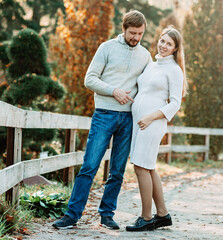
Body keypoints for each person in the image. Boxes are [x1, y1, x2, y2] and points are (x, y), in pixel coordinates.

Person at [52, 10, 152, 230]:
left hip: (129, 118)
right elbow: (89, 79)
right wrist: (113, 91)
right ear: (124, 29)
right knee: (89, 166)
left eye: (140, 34)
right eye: (133, 32)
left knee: (117, 171)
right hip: (104, 115)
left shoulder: (145, 55)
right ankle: (72, 215)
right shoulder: (107, 48)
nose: (136, 37)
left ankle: (107, 214)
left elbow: (149, 85)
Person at [125, 27, 187, 232]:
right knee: (148, 167)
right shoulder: (151, 65)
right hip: (139, 123)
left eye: (169, 44)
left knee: (141, 166)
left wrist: (151, 116)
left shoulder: (174, 70)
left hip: (152, 124)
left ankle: (146, 217)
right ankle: (162, 215)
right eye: (162, 41)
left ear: (175, 49)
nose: (163, 45)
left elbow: (175, 103)